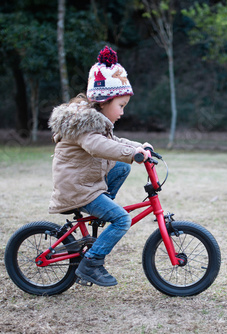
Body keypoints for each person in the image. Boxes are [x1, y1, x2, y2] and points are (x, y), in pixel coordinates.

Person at [48, 46, 152, 287]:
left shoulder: (96, 122)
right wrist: (131, 154)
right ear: (104, 102)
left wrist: (140, 147)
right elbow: (98, 147)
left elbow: (113, 143)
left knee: (122, 167)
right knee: (122, 219)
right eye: (121, 105)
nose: (123, 112)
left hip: (86, 183)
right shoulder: (85, 127)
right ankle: (91, 264)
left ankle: (99, 212)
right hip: (78, 189)